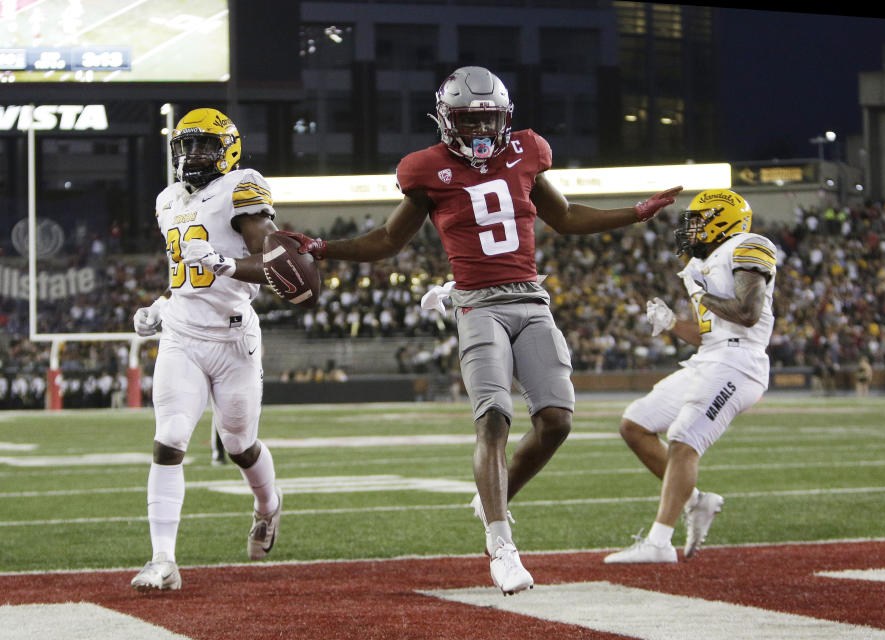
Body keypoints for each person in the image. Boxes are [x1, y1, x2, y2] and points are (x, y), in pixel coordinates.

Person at [274, 66, 681, 593]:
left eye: (489, 119)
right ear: (447, 121)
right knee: (493, 418)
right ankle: (501, 543)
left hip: (530, 298)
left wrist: (635, 213)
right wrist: (327, 249)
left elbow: (567, 216)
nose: (480, 131)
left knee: (556, 421)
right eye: (469, 121)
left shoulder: (527, 152)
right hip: (477, 305)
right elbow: (388, 241)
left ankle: (496, 493)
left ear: (505, 118)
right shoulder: (425, 170)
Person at [129, 108, 283, 592]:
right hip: (182, 336)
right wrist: (160, 304)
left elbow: (277, 264)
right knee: (169, 439)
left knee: (238, 444)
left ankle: (267, 507)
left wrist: (226, 264)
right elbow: (184, 276)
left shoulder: (242, 186)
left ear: (228, 151)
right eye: (187, 145)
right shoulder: (167, 200)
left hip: (234, 339)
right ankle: (163, 560)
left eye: (205, 146)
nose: (193, 155)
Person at [604, 188, 777, 564]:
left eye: (699, 221)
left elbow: (747, 312)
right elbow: (708, 334)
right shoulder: (700, 265)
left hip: (739, 363)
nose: (692, 229)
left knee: (683, 438)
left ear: (723, 220)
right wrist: (671, 323)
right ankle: (696, 500)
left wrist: (702, 294)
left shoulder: (748, 245)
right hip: (711, 357)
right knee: (635, 424)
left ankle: (659, 542)